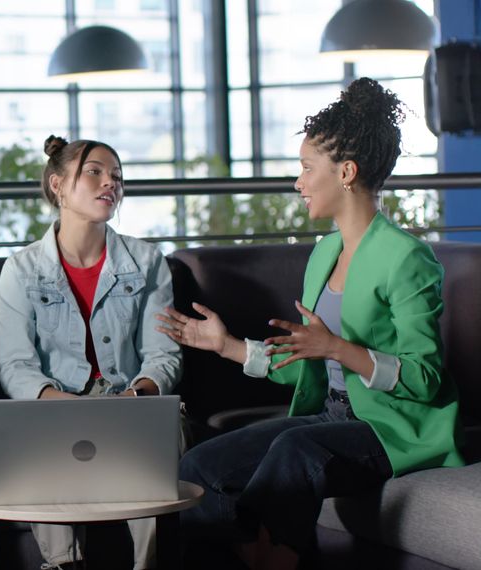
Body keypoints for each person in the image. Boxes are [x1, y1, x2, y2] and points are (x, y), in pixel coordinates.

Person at [155, 78, 464, 570]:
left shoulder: (407, 258)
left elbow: (424, 379)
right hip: (331, 416)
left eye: (305, 168)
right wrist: (227, 346)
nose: (297, 182)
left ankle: (277, 554)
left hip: (389, 427)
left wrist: (340, 349)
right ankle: (261, 553)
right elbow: (307, 362)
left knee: (295, 447)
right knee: (197, 468)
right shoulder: (324, 253)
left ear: (345, 172)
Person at [0, 135, 183, 569]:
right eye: (94, 172)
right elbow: (15, 364)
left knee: (157, 435)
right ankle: (63, 564)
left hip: (132, 404)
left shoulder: (148, 261)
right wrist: (65, 407)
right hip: (54, 406)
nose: (109, 184)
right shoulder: (20, 270)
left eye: (116, 176)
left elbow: (163, 356)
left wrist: (133, 399)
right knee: (37, 436)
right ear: (58, 185)